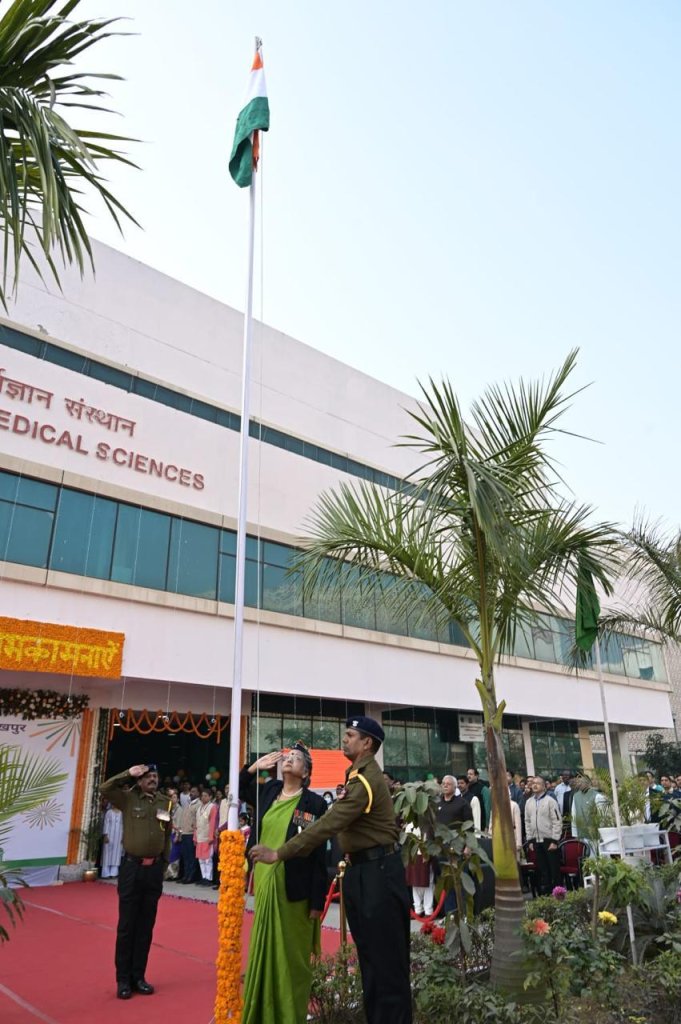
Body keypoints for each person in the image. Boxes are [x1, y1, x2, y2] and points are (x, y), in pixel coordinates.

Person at [251, 716, 411, 1024]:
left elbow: (329, 824)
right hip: (365, 870)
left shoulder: (365, 780)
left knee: (385, 967)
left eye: (350, 735)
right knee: (373, 963)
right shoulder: (356, 776)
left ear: (367, 743)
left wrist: (279, 853)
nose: (344, 739)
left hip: (377, 873)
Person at [240, 742, 328, 1024]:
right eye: (288, 756)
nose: (289, 759)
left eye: (297, 758)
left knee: (291, 957)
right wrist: (253, 768)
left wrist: (317, 901)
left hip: (296, 889)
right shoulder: (269, 790)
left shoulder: (314, 804)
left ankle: (290, 1015)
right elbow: (239, 790)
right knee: (265, 947)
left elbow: (317, 854)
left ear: (306, 772)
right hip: (266, 880)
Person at [100, 763, 172, 1000]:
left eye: (155, 776)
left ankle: (139, 977)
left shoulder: (165, 802)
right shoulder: (128, 799)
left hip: (154, 871)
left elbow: (167, 834)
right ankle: (123, 980)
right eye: (148, 776)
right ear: (139, 780)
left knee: (146, 927)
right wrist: (128, 773)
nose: (152, 779)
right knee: (127, 926)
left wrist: (164, 864)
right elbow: (105, 788)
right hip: (132, 868)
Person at [524, 775, 562, 894]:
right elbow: (527, 821)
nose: (534, 785)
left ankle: (559, 894)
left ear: (544, 786)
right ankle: (546, 895)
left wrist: (555, 840)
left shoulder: (550, 801)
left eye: (538, 783)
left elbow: (557, 821)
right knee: (542, 870)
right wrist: (530, 840)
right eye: (533, 783)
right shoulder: (529, 802)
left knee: (554, 870)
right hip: (536, 840)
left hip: (549, 840)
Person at [194, 789, 218, 885]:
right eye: (202, 795)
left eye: (205, 796)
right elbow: (196, 824)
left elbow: (213, 823)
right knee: (201, 859)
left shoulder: (212, 807)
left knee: (208, 859)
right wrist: (195, 837)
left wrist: (211, 836)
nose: (203, 797)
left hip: (207, 837)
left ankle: (208, 878)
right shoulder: (199, 808)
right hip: (200, 836)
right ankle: (203, 877)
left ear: (210, 797)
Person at [177, 784, 199, 883]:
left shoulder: (198, 805)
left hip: (191, 833)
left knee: (191, 856)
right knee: (185, 856)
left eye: (194, 791)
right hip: (184, 833)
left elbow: (197, 820)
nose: (191, 793)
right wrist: (180, 832)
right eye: (191, 791)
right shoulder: (188, 804)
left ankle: (191, 876)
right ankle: (185, 875)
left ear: (198, 793)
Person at [101, 803, 123, 879]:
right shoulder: (109, 812)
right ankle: (105, 873)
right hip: (109, 836)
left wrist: (123, 836)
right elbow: (106, 823)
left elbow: (123, 825)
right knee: (107, 854)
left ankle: (114, 873)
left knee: (116, 855)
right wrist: (105, 835)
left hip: (119, 836)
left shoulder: (122, 813)